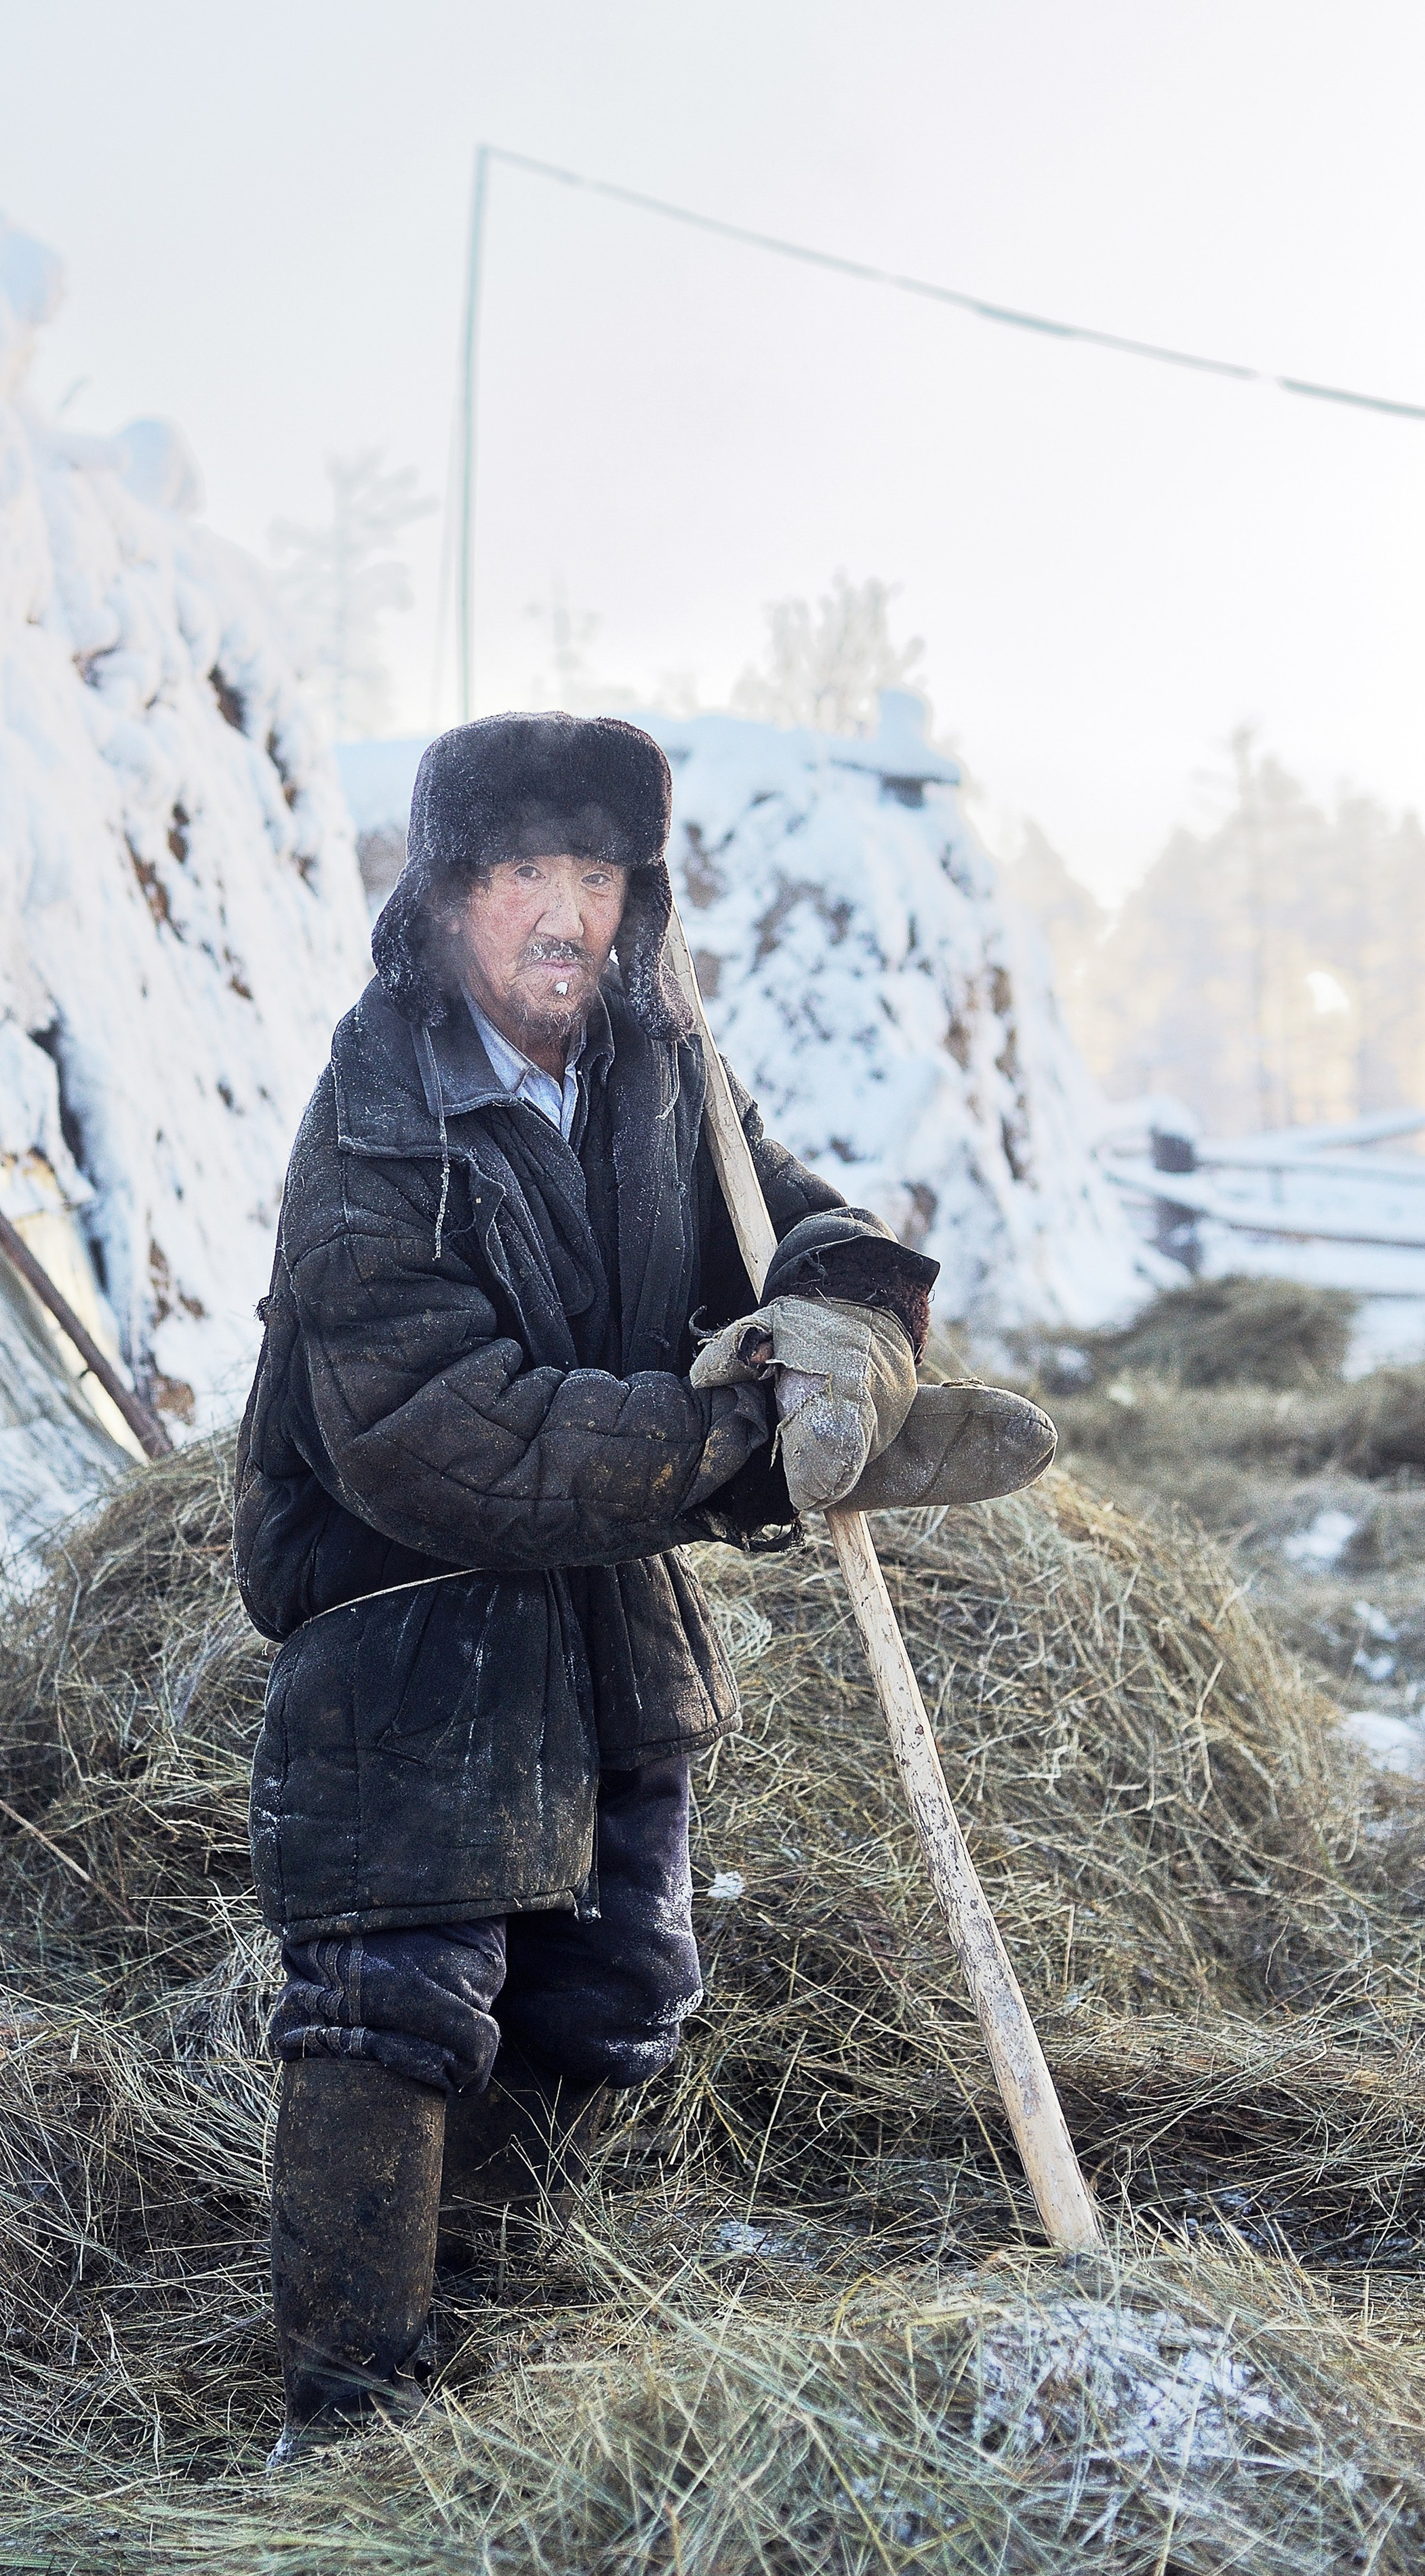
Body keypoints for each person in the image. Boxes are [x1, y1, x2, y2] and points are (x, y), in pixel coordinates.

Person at [233, 712, 1053, 2461]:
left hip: (600, 1594)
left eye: (596, 875)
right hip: (401, 1603)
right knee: (396, 1986)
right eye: (524, 873)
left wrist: (847, 1316)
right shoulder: (377, 1123)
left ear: (639, 895)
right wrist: (740, 1441)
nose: (565, 916)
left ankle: (488, 2298)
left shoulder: (657, 1066)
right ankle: (353, 2411)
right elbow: (438, 1434)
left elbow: (777, 1218)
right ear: (446, 894)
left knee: (616, 1986)